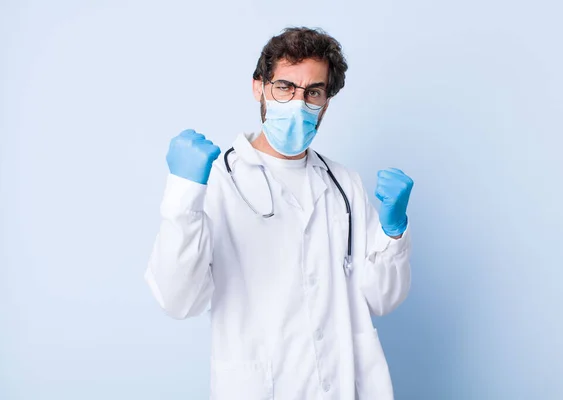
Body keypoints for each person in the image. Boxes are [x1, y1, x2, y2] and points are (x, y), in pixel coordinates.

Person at [145, 27, 414, 400]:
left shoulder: (344, 184)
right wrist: (183, 194)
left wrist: (393, 231)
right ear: (259, 87)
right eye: (285, 87)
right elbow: (178, 301)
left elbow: (382, 299)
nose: (299, 103)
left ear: (326, 102)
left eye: (313, 92)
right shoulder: (218, 181)